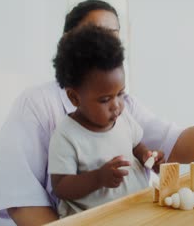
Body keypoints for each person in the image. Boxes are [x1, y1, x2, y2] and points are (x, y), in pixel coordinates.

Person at [0, 0, 194, 226]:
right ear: (68, 43)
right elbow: (23, 205)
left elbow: (178, 147)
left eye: (114, 35)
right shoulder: (38, 106)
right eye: (97, 33)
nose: (106, 44)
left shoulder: (122, 106)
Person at [49, 25, 162, 217]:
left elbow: (135, 145)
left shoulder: (123, 117)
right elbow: (60, 186)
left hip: (135, 209)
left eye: (120, 94)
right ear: (74, 98)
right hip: (94, 218)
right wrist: (98, 178)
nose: (116, 105)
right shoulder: (66, 134)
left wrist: (147, 157)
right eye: (105, 99)